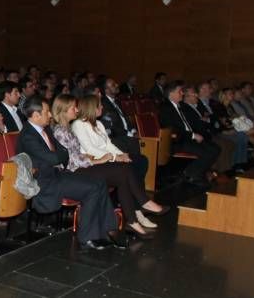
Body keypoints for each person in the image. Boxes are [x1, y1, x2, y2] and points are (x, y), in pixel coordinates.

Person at [52, 94, 168, 238]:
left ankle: (133, 219)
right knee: (123, 171)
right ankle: (141, 206)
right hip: (75, 171)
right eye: (73, 107)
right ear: (63, 110)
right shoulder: (62, 130)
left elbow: (88, 150)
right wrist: (96, 161)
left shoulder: (68, 128)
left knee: (127, 170)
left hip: (84, 164)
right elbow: (72, 159)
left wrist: (120, 156)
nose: (76, 110)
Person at [17, 96, 123, 251]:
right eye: (47, 112)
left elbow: (61, 152)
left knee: (99, 182)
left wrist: (61, 155)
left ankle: (108, 228)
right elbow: (54, 157)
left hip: (57, 173)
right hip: (45, 180)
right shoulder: (28, 135)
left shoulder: (45, 129)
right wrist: (61, 155)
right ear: (35, 115)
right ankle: (88, 237)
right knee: (92, 189)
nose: (51, 115)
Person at [72, 95, 148, 185]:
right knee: (127, 167)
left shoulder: (99, 123)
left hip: (108, 157)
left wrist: (121, 154)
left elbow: (109, 144)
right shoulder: (79, 124)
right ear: (93, 108)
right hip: (97, 160)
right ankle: (137, 196)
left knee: (142, 160)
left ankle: (137, 194)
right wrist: (115, 158)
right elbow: (90, 149)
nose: (102, 107)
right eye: (99, 105)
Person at [157, 83, 220, 188]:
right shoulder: (166, 108)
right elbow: (173, 129)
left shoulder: (179, 106)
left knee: (215, 149)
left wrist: (194, 134)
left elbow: (187, 124)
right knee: (207, 152)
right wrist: (193, 136)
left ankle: (191, 173)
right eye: (179, 91)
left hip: (185, 137)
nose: (182, 93)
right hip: (177, 141)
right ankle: (194, 175)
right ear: (171, 94)